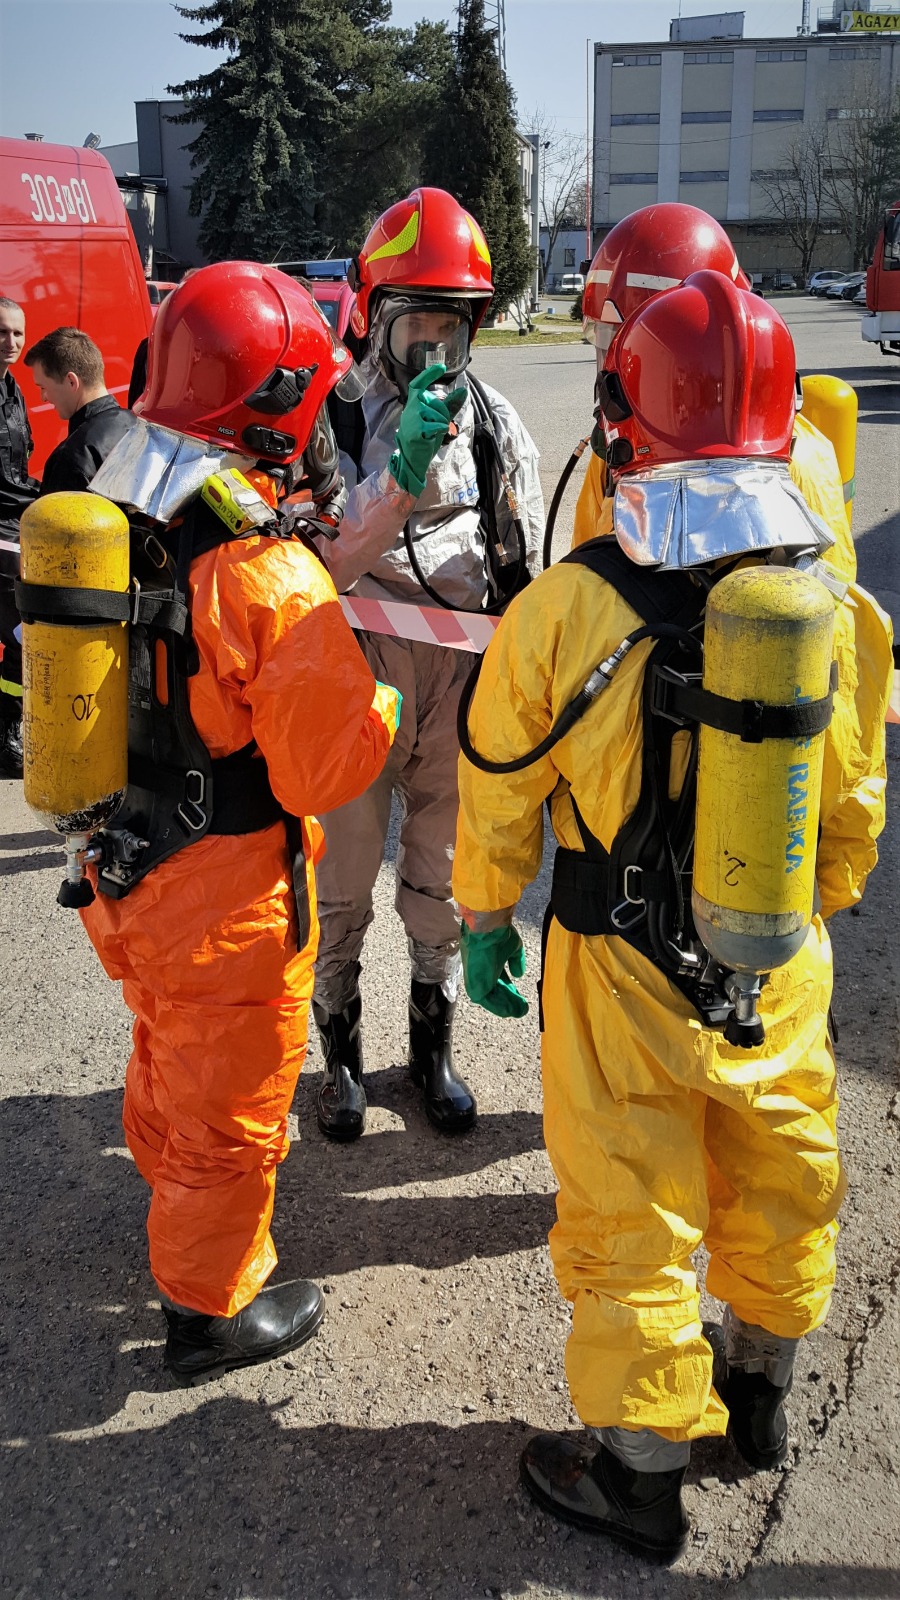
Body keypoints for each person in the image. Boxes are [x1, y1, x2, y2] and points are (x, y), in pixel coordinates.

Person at [453, 272, 891, 1560]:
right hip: (775, 957)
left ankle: (638, 1475)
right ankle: (760, 1394)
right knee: (783, 1169)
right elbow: (854, 797)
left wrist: (482, 916)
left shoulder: (563, 608)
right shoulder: (832, 604)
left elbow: (497, 786)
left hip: (616, 964)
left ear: (622, 420)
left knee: (630, 1205)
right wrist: (807, 915)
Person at [72, 263, 401, 1382]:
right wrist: (384, 704)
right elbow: (322, 769)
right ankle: (206, 1310)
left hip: (128, 865)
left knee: (168, 1043)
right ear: (276, 406)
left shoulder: (114, 511)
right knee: (233, 1102)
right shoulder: (267, 572)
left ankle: (174, 1206)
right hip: (227, 894)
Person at [309, 187, 544, 1142]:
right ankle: (340, 1057)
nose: (436, 354)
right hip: (358, 677)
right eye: (418, 330)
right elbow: (316, 565)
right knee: (344, 873)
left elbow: (525, 569)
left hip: (457, 691)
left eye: (453, 330)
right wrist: (395, 478)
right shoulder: (331, 421)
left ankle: (430, 1050)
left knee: (441, 873)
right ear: (377, 320)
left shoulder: (496, 426)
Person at [572, 202, 857, 581]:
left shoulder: (794, 466)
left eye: (628, 353)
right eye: (605, 346)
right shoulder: (615, 451)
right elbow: (583, 570)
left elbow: (825, 606)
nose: (612, 378)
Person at [23, 326, 136, 494]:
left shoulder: (70, 459)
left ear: (71, 381)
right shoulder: (136, 424)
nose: (43, 398)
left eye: (43, 387)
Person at [0, 297, 39, 776]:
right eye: (1, 332)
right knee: (23, 631)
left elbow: (16, 468)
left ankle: (10, 725)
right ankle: (10, 734)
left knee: (22, 634)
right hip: (4, 533)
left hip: (14, 526)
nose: (11, 342)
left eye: (17, 333)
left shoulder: (12, 387)